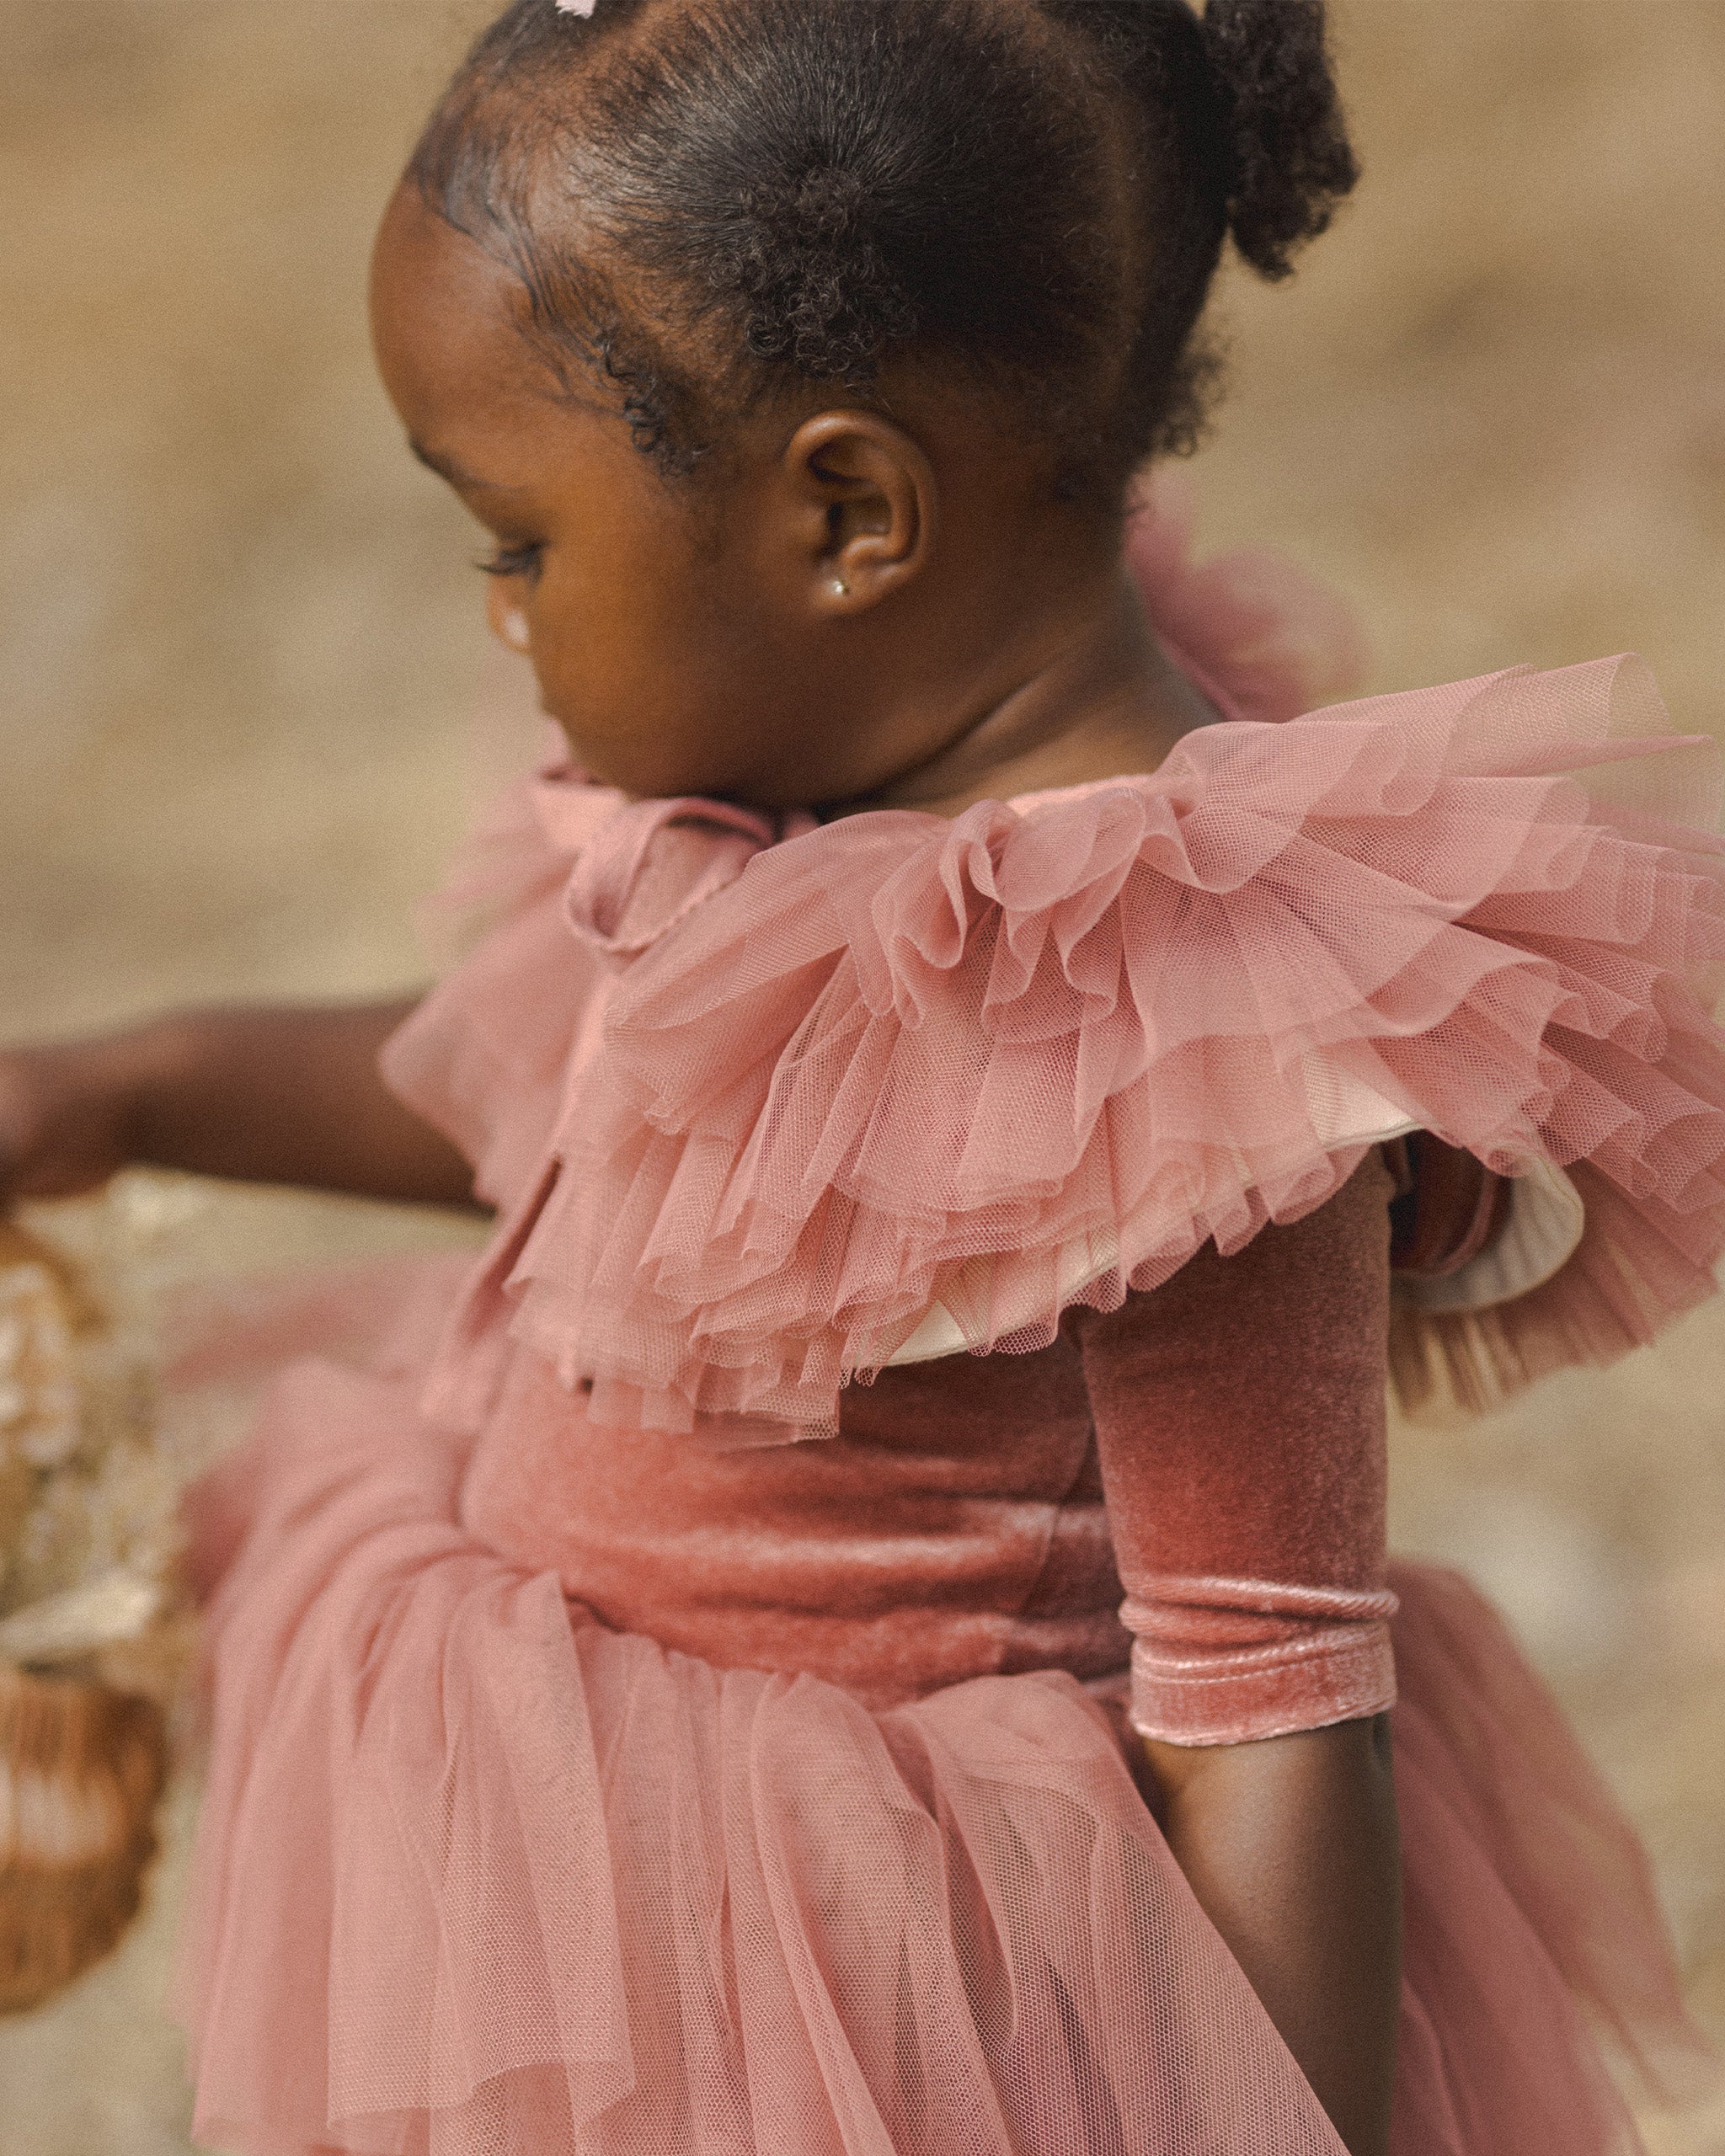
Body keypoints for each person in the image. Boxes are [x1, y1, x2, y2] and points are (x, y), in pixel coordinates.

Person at [2, 0, 1720, 2149]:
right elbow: (578, 1119)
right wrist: (132, 1083)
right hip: (595, 1916)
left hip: (895, 2020)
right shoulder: (824, 767)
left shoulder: (1181, 1033)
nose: (500, 618)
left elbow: (1271, 1706)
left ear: (845, 515)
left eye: (519, 539)